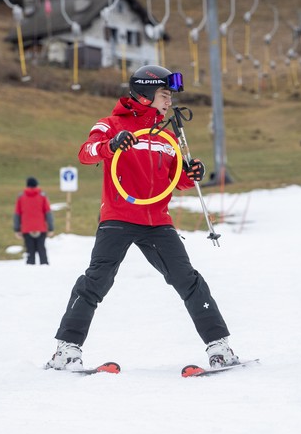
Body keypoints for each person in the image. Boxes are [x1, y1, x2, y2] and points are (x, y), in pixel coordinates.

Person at [46, 64, 237, 371]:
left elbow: (177, 177)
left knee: (186, 279)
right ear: (146, 94)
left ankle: (220, 348)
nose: (169, 102)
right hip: (119, 216)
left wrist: (191, 175)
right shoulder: (111, 124)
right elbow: (87, 152)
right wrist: (111, 145)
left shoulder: (165, 135)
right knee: (97, 280)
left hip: (157, 220)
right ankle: (66, 351)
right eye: (164, 95)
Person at [13, 177, 54, 265]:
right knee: (42, 251)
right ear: (36, 185)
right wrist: (51, 228)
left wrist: (17, 229)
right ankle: (46, 271)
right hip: (41, 228)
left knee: (30, 252)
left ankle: (30, 273)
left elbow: (17, 214)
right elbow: (48, 213)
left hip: (27, 229)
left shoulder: (21, 197)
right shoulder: (42, 196)